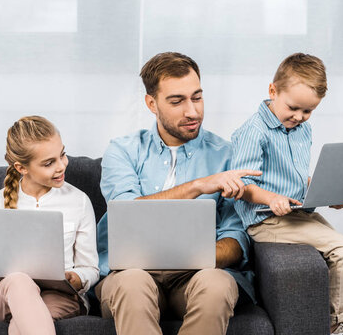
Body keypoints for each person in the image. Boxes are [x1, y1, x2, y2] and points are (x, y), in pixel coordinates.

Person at [96, 52, 261, 335]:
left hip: (197, 277)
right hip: (131, 274)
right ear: (152, 103)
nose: (193, 112)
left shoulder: (227, 156)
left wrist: (187, 257)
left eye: (197, 97)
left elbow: (236, 237)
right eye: (177, 101)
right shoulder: (122, 151)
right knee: (132, 285)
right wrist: (199, 186)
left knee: (217, 285)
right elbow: (128, 212)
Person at [230, 53, 343, 335]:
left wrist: (328, 191)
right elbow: (242, 185)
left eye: (308, 111)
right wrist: (271, 198)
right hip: (266, 221)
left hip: (297, 214)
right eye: (293, 108)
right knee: (342, 248)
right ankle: (338, 326)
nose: (299, 117)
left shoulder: (302, 129)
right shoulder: (254, 132)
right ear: (272, 91)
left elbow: (296, 175)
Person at [0, 116, 99, 335]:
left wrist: (77, 278)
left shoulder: (78, 200)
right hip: (6, 295)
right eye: (48, 163)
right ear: (21, 167)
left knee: (27, 318)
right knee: (20, 282)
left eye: (62, 155)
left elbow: (91, 268)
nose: (61, 166)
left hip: (60, 296)